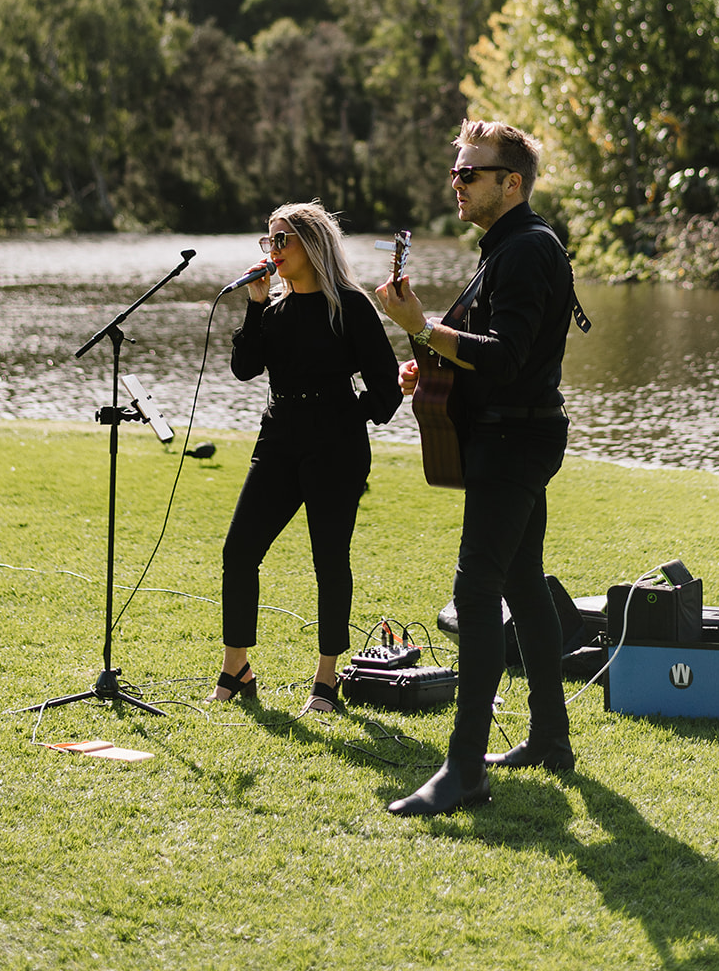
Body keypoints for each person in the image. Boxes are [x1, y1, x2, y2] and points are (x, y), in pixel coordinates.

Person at [376, 119, 583, 816]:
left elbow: (507, 356)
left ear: (510, 183)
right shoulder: (509, 248)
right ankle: (551, 740)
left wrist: (422, 328)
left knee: (476, 592)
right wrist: (431, 367)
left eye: (469, 173)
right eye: (454, 171)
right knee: (523, 583)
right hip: (513, 435)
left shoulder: (525, 251)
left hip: (514, 443)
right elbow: (488, 355)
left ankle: (463, 771)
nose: (455, 183)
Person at [212, 200, 402, 715]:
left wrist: (346, 415)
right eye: (266, 241)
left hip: (334, 448)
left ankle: (326, 679)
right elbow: (244, 368)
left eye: (281, 240)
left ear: (310, 245)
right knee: (239, 550)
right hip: (277, 440)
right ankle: (237, 666)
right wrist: (254, 303)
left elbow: (386, 392)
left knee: (328, 561)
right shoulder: (272, 311)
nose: (270, 251)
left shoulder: (351, 306)